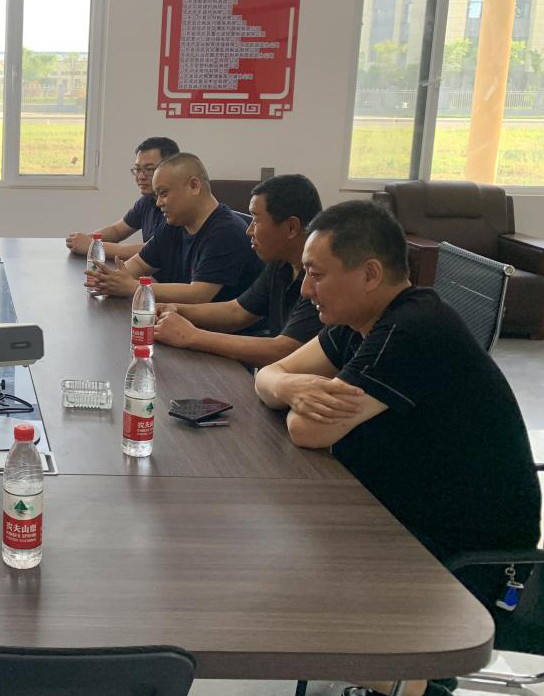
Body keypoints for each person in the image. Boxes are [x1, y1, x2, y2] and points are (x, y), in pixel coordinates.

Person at [254, 200, 541, 696]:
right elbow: (270, 375)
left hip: (466, 555)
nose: (305, 289)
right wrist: (288, 386)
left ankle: (420, 688)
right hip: (403, 516)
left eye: (316, 274)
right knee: (280, 559)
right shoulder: (357, 323)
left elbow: (308, 430)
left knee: (280, 603)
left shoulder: (412, 329)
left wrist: (292, 393)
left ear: (369, 274)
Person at [153, 174, 323, 367]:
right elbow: (238, 311)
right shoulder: (281, 263)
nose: (249, 230)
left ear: (291, 227)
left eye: (256, 220)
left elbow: (285, 350)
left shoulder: (320, 279)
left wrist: (192, 336)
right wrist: (176, 309)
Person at [87, 152, 263, 303]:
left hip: (222, 328)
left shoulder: (226, 232)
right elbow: (140, 263)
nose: (158, 203)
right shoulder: (175, 224)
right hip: (184, 319)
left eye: (164, 194)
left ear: (194, 186)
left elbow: (199, 294)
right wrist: (113, 280)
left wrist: (132, 287)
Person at [65, 136, 182, 266]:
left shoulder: (178, 207)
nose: (141, 176)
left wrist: (92, 246)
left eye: (149, 169)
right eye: (138, 169)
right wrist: (84, 240)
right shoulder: (147, 200)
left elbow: (153, 250)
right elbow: (117, 230)